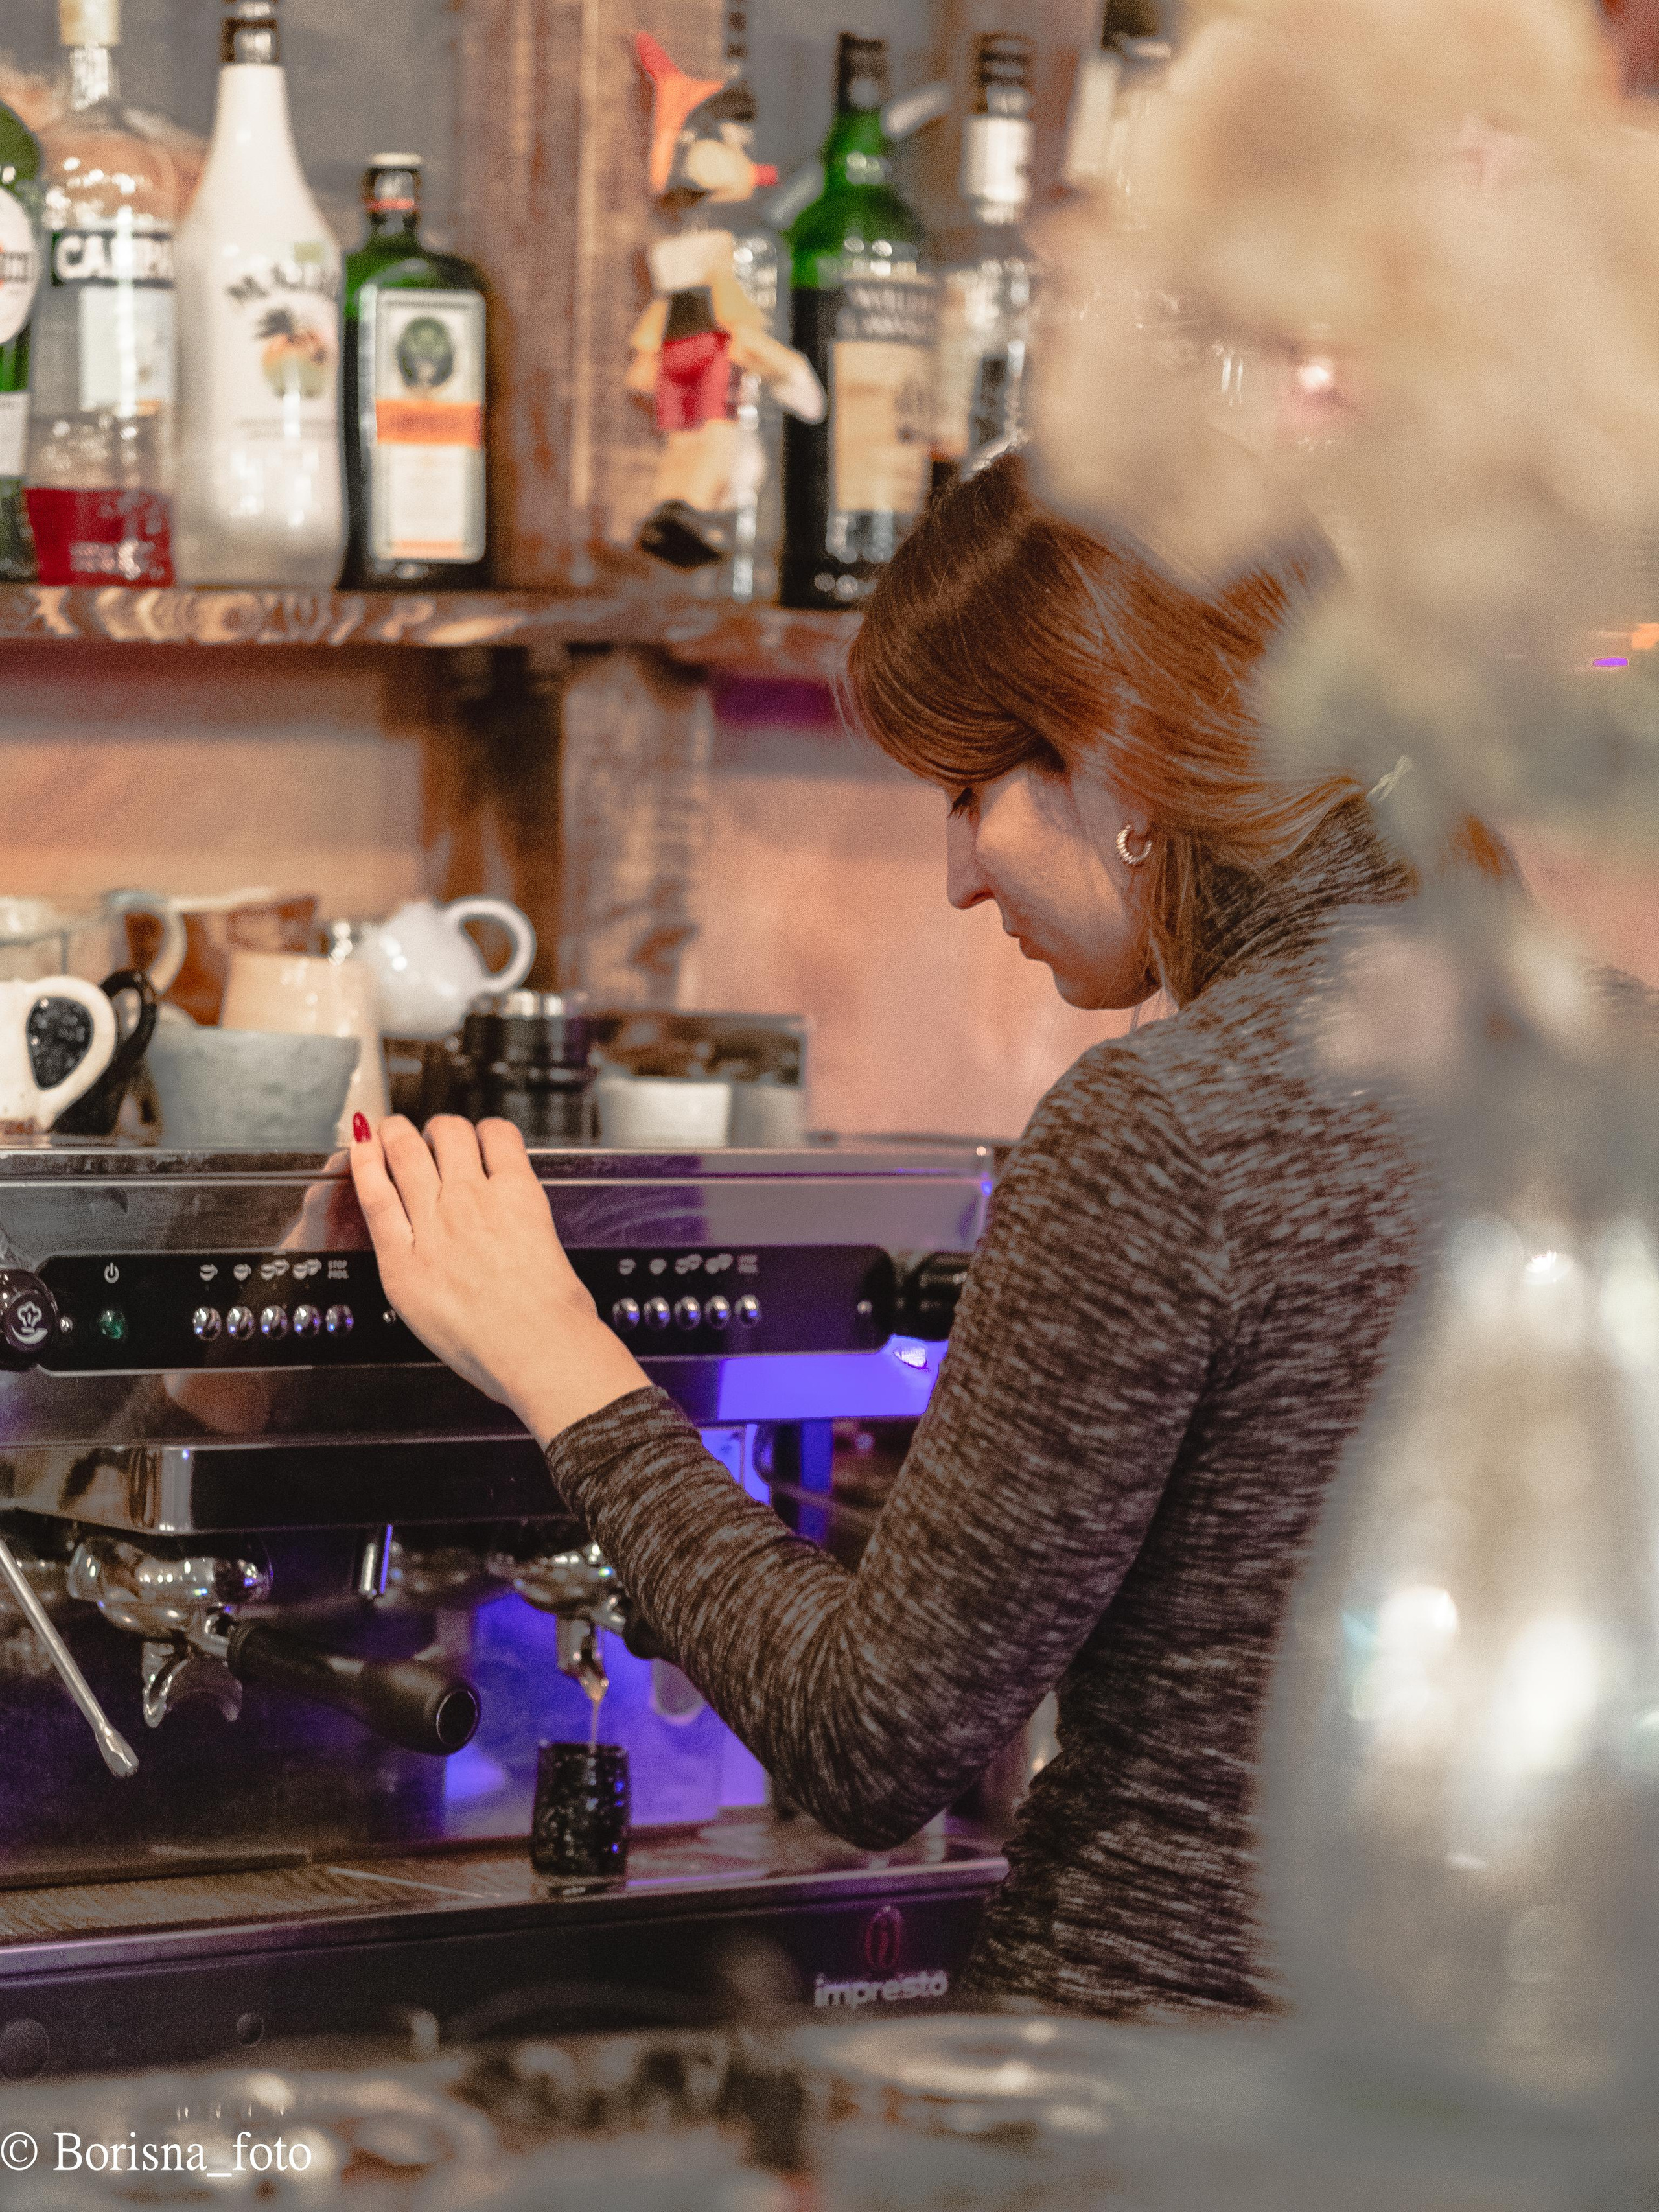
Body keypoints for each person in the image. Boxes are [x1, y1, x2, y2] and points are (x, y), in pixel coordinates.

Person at [348, 454, 1511, 2018]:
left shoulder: (1160, 1127)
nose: (958, 877)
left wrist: (546, 1344)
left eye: (967, 795)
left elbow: (869, 1741)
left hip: (1146, 2083)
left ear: (1119, 757)